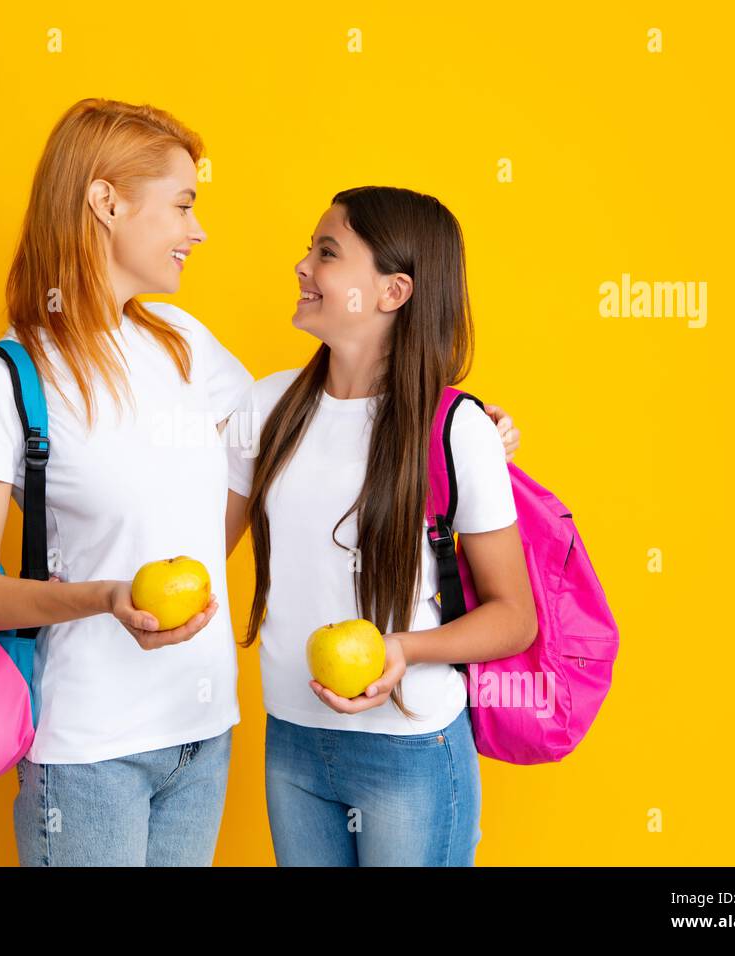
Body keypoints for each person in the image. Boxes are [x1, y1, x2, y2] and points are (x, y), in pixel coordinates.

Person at [224, 187, 534, 866]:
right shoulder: (267, 405)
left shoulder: (456, 430)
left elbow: (515, 617)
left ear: (393, 292)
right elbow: (204, 548)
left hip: (413, 748)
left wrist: (404, 650)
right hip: (293, 741)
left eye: (326, 252)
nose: (302, 266)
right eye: (309, 249)